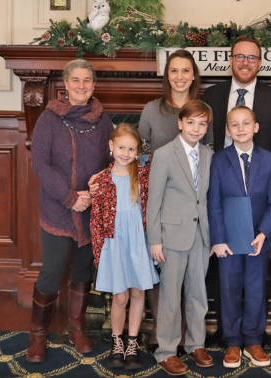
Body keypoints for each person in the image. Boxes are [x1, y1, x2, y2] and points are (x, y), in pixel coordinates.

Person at [28, 59, 114, 362]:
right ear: (66, 85)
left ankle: (76, 328)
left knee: (81, 269)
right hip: (57, 208)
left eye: (87, 81)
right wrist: (69, 197)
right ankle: (37, 334)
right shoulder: (50, 118)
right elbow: (40, 162)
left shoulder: (103, 120)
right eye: (75, 80)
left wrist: (94, 192)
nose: (81, 85)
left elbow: (110, 162)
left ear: (93, 85)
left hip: (91, 208)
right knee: (51, 271)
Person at [137, 49, 202, 350]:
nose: (179, 76)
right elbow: (139, 155)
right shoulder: (152, 109)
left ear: (193, 75)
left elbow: (208, 153)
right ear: (167, 76)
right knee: (159, 263)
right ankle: (160, 327)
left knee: (189, 273)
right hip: (156, 196)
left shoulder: (201, 109)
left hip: (189, 202)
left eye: (185, 71)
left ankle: (186, 330)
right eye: (173, 71)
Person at [208, 106, 271, 368]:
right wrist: (217, 239)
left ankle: (253, 340)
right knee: (229, 289)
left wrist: (263, 233)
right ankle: (232, 342)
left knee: (255, 289)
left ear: (255, 127)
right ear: (228, 130)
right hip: (227, 239)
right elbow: (214, 203)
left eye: (245, 123)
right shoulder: (218, 159)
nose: (240, 129)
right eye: (234, 125)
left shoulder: (269, 159)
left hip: (258, 239)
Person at [147, 100, 214, 376]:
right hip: (171, 236)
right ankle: (166, 351)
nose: (196, 128)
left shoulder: (209, 155)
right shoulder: (164, 154)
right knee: (171, 297)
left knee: (198, 294)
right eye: (191, 122)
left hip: (201, 236)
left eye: (202, 124)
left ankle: (196, 344)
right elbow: (154, 201)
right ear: (180, 123)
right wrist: (154, 240)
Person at [90, 123, 159, 370]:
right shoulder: (102, 180)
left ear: (138, 150)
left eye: (131, 149)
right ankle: (117, 341)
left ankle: (132, 343)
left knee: (139, 292)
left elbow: (151, 209)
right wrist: (99, 252)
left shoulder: (143, 174)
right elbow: (96, 219)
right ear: (111, 146)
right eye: (121, 147)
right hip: (114, 243)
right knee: (120, 295)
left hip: (138, 242)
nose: (126, 153)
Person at [202, 37, 271, 198]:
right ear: (231, 60)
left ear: (259, 63)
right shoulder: (211, 95)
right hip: (219, 184)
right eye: (239, 57)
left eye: (252, 58)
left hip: (262, 188)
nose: (245, 62)